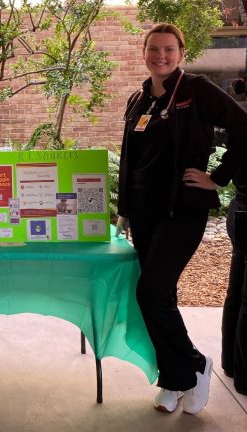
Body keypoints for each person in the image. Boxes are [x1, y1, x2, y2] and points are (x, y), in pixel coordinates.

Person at [116, 24, 247, 414]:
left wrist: (217, 177)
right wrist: (124, 209)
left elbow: (244, 128)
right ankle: (175, 379)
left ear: (181, 52)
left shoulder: (195, 90)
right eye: (154, 49)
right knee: (162, 296)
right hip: (144, 213)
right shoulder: (138, 99)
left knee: (150, 292)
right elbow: (130, 159)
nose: (161, 56)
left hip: (181, 211)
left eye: (169, 49)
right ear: (144, 52)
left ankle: (193, 364)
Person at [221, 75, 247, 395]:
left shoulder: (237, 117)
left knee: (236, 291)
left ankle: (231, 363)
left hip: (238, 210)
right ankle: (245, 378)